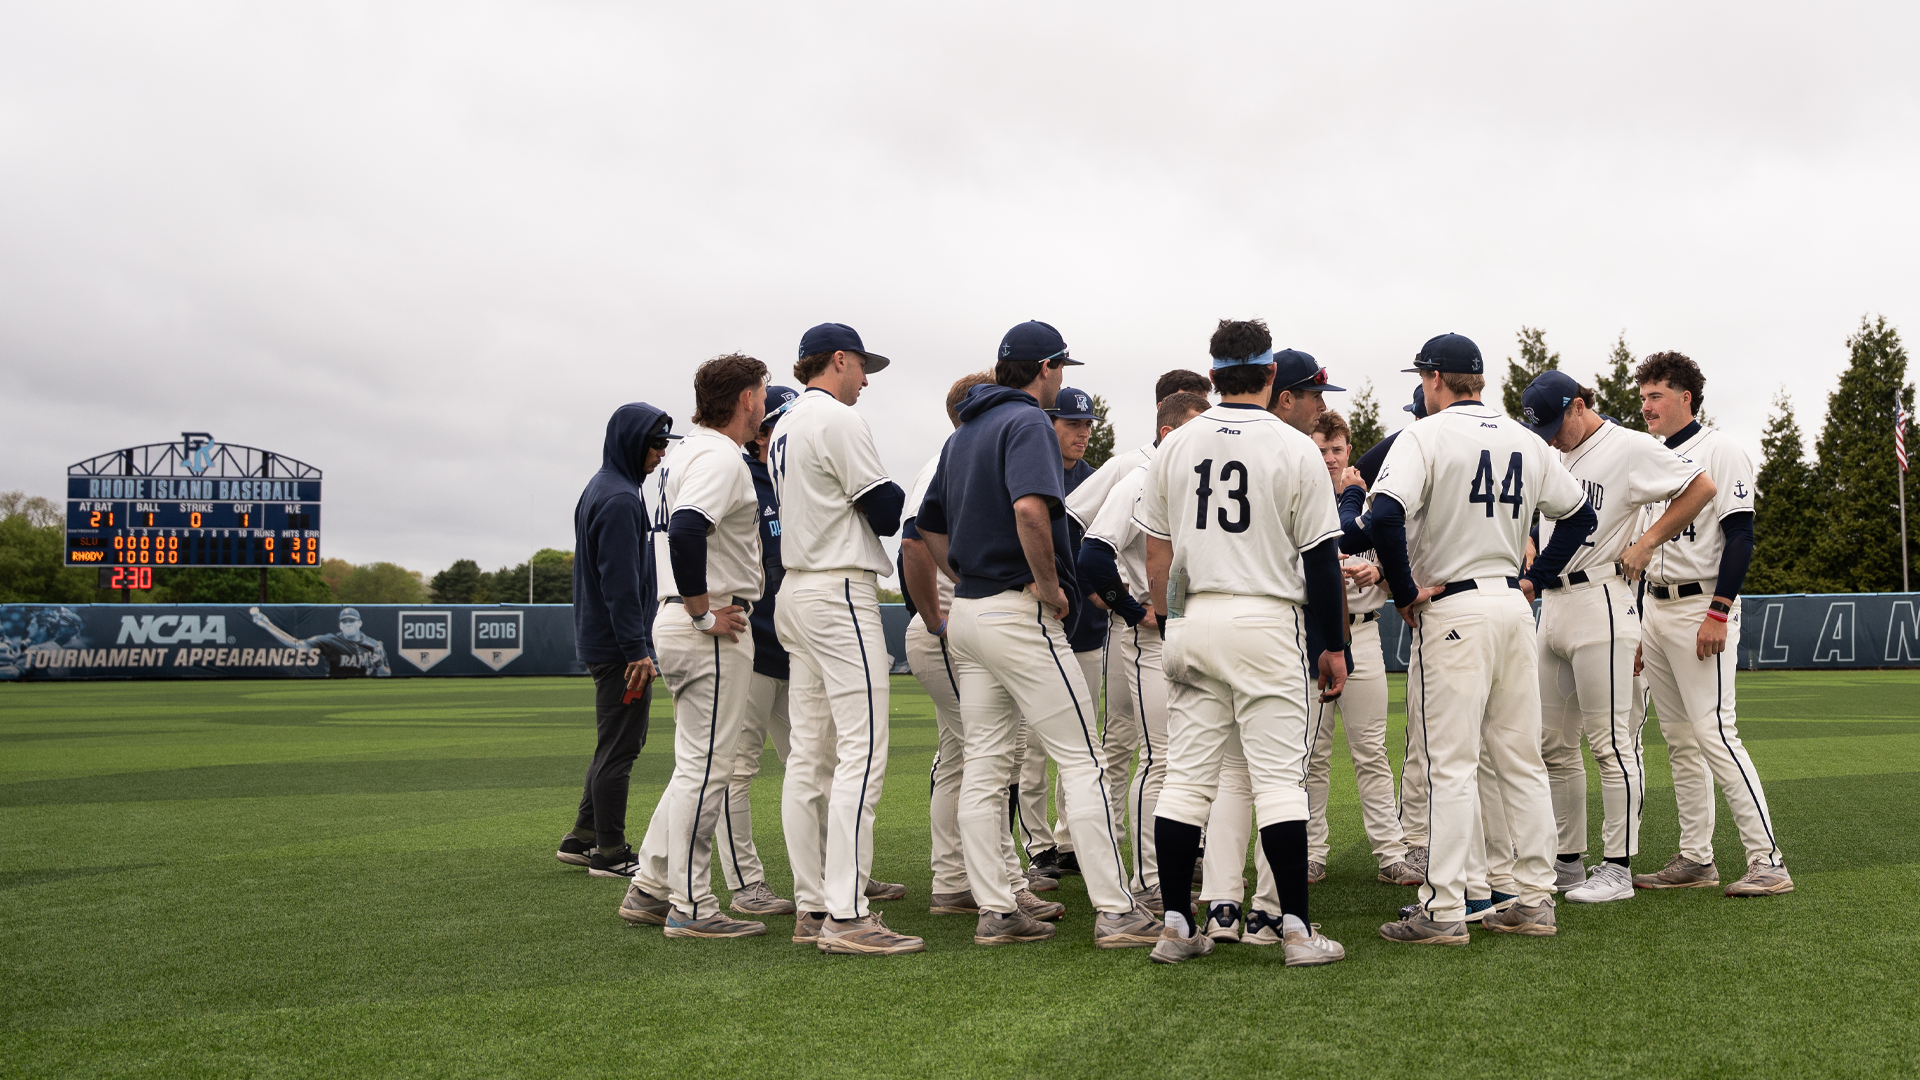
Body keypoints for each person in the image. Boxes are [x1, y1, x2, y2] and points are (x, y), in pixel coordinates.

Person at [915, 319, 1164, 948]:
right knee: (1080, 758)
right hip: (1015, 612)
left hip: (969, 613)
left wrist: (966, 576)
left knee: (986, 767)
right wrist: (1049, 585)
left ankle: (997, 910)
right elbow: (1031, 509)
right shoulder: (1025, 421)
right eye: (1061, 369)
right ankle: (1116, 912)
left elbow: (930, 528)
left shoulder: (967, 428)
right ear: (1047, 368)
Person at [1136, 319, 1350, 967]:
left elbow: (1157, 549)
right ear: (1268, 376)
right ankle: (1295, 932)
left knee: (1186, 783)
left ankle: (1176, 925)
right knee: (1279, 781)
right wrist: (1331, 643)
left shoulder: (1177, 443)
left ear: (1213, 374)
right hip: (1264, 619)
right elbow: (1318, 558)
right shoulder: (1293, 447)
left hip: (1195, 617)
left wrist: (1175, 624)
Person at [1370, 332, 1596, 945]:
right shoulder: (1525, 438)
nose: (1423, 387)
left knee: (1451, 764)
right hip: (1511, 606)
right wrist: (1538, 578)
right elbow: (1582, 516)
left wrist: (1402, 590)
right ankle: (1533, 899)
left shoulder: (1425, 433)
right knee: (1520, 760)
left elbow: (1384, 515)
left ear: (1437, 379)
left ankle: (1444, 910)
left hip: (1455, 611)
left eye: (1423, 378)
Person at [1517, 370, 1716, 904]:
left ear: (1579, 405)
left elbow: (1700, 485)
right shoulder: (1554, 454)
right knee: (1553, 745)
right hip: (1553, 605)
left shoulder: (1627, 446)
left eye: (1558, 424)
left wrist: (1649, 540)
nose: (1553, 436)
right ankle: (1567, 861)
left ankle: (1618, 867)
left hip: (1600, 598)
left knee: (1609, 743)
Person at [769, 322, 922, 955]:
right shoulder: (833, 416)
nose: (866, 380)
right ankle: (848, 914)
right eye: (863, 367)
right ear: (838, 361)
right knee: (861, 750)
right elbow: (885, 511)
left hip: (797, 589)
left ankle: (813, 905)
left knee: (809, 755)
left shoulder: (783, 423)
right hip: (836, 590)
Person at [902, 372, 1063, 923]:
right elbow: (914, 544)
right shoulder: (953, 456)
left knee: (964, 759)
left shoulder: (960, 451)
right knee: (990, 760)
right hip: (959, 624)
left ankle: (955, 881)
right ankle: (1002, 886)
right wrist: (935, 617)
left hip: (958, 622)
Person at [1630, 352, 1791, 897]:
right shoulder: (1649, 455)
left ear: (1686, 399)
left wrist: (1720, 609)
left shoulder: (1721, 450)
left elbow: (1741, 535)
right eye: (1644, 395)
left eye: (1656, 395)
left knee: (1716, 733)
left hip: (1702, 605)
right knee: (1677, 739)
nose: (1646, 405)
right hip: (1655, 605)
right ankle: (1696, 859)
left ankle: (1768, 860)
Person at [620, 354, 769, 940]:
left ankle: (652, 887)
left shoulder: (687, 451)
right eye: (759, 392)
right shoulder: (717, 454)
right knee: (708, 770)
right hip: (705, 624)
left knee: (694, 767)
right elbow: (687, 527)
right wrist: (702, 611)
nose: (762, 401)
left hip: (681, 620)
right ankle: (692, 906)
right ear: (746, 400)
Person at [1075, 390, 1209, 915]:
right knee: (1160, 760)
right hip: (1148, 641)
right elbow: (1091, 557)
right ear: (1171, 433)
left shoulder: (1191, 479)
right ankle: (1147, 880)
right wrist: (1133, 611)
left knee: (1188, 759)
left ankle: (1172, 868)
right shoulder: (1140, 479)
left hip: (1190, 632)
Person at [1304, 410, 1422, 888]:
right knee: (1311, 753)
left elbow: (1401, 568)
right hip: (1312, 635)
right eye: (1321, 450)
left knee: (1371, 751)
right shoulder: (1300, 496)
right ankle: (1311, 851)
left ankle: (1390, 853)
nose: (1330, 459)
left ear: (1349, 452)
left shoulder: (1373, 502)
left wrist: (1380, 575)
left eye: (1336, 450)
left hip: (1366, 630)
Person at [567, 402, 677, 878]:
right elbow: (620, 584)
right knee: (621, 748)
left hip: (604, 640)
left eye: (664, 444)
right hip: (619, 647)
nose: (659, 454)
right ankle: (609, 851)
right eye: (654, 444)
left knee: (612, 741)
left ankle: (583, 836)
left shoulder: (603, 486)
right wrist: (637, 650)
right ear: (632, 443)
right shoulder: (619, 499)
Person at [715, 385, 804, 917]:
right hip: (749, 644)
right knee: (735, 771)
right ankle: (746, 884)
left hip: (794, 648)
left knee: (815, 766)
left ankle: (830, 877)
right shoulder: (739, 476)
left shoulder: (798, 478)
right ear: (763, 430)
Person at [1010, 385, 1104, 879]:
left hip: (1085, 632)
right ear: (1050, 425)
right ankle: (1040, 847)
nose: (1082, 433)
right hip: (1034, 626)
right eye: (1072, 424)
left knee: (1083, 741)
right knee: (1032, 748)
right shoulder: (1030, 471)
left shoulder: (1095, 479)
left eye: (1087, 425)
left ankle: (1070, 841)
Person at [248, 606, 390, 678]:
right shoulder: (330, 640)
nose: (348, 625)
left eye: (351, 621)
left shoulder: (374, 645)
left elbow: (386, 674)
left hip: (364, 689)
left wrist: (379, 665)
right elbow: (296, 644)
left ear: (359, 623)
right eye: (344, 622)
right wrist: (268, 625)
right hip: (335, 686)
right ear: (340, 625)